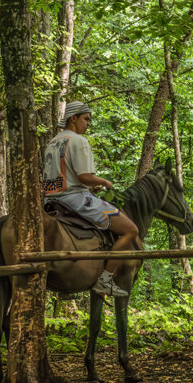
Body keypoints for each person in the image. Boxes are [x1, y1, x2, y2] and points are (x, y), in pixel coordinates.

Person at [41, 101, 138, 297]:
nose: (88, 123)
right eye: (85, 119)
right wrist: (105, 182)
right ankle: (105, 279)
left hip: (50, 201)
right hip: (75, 199)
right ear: (73, 118)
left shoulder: (52, 142)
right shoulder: (78, 141)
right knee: (130, 230)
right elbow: (85, 177)